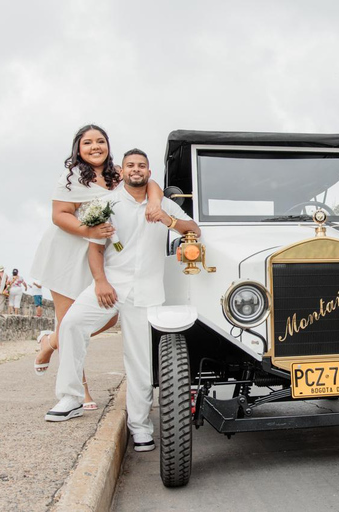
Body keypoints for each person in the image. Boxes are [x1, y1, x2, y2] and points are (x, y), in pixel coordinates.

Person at [45, 148, 200, 453]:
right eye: (130, 165)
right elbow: (95, 250)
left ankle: (141, 427)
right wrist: (100, 282)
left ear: (148, 172)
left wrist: (168, 221)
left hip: (146, 293)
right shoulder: (106, 203)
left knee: (140, 362)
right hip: (110, 286)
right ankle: (71, 396)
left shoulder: (164, 204)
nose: (136, 169)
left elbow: (193, 230)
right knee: (72, 324)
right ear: (123, 170)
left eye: (141, 165)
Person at [31, 125, 164, 409]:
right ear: (78, 148)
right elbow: (59, 215)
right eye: (87, 142)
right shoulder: (71, 178)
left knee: (108, 317)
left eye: (100, 141)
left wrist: (154, 203)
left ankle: (49, 343)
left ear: (107, 145)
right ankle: (79, 392)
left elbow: (150, 184)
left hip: (101, 253)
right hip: (67, 251)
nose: (95, 147)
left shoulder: (118, 173)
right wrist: (89, 231)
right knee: (69, 321)